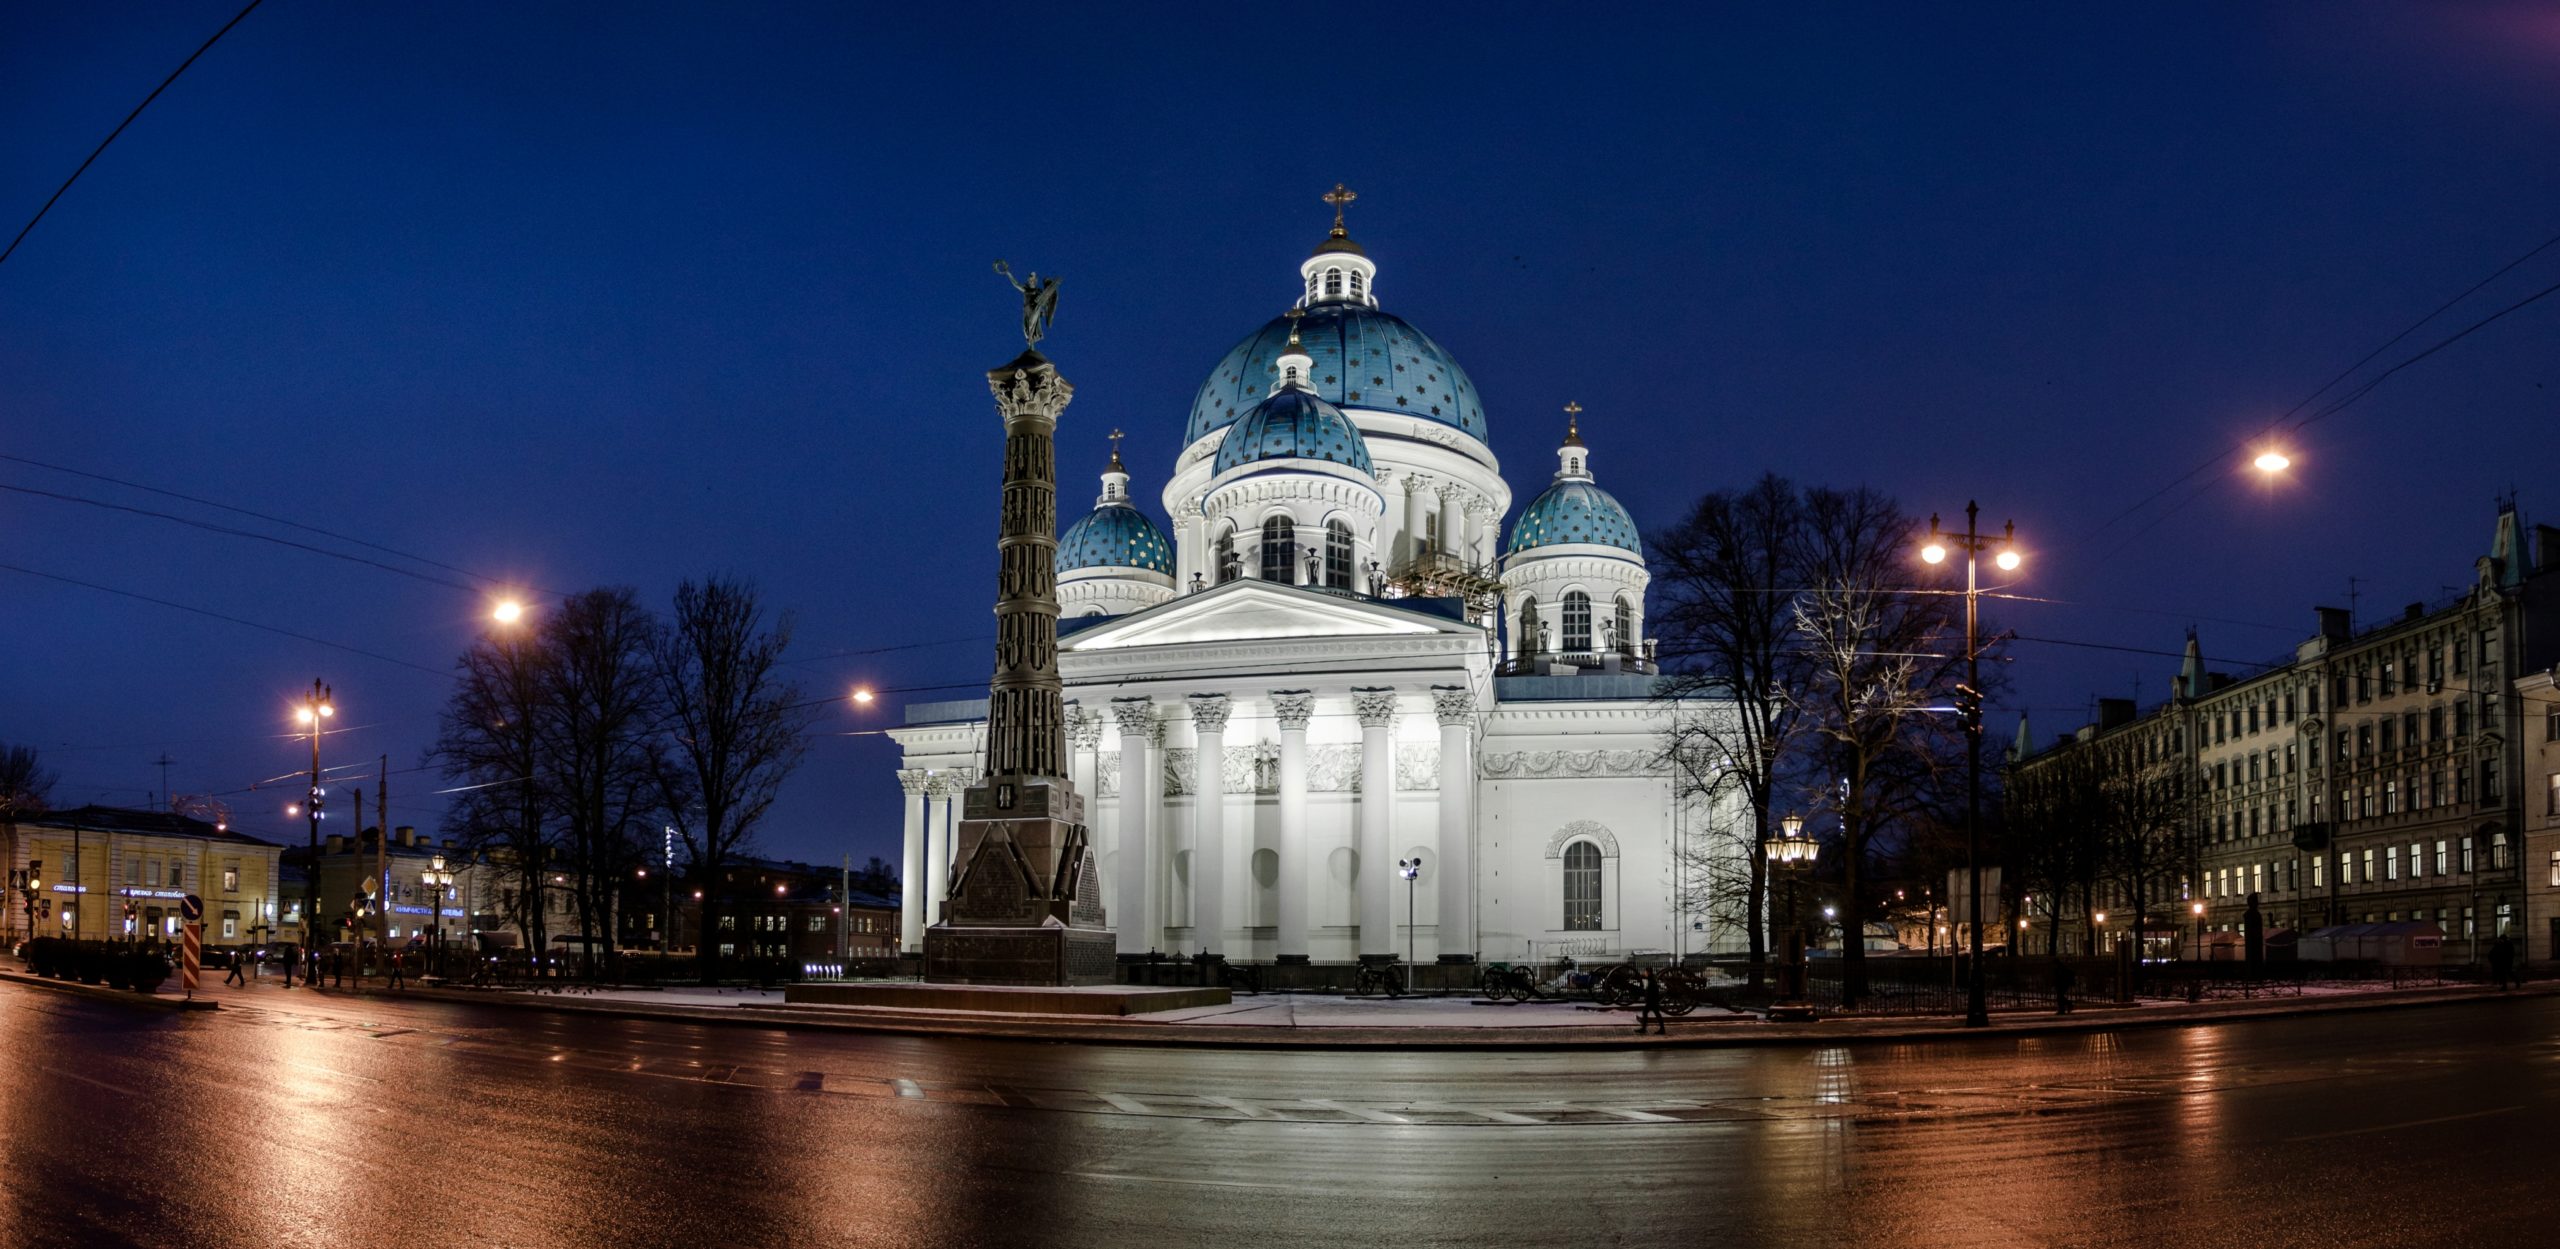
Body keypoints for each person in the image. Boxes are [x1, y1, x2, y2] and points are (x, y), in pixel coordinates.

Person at [1635, 969, 1667, 1035]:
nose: (1645, 973)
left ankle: (1644, 1029)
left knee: (1652, 1013)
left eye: (1645, 972)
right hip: (1652, 1001)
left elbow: (1651, 991)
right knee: (1656, 1014)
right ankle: (1661, 1029)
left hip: (1652, 1001)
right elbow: (1644, 977)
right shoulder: (1651, 978)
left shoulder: (1652, 980)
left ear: (1648, 972)